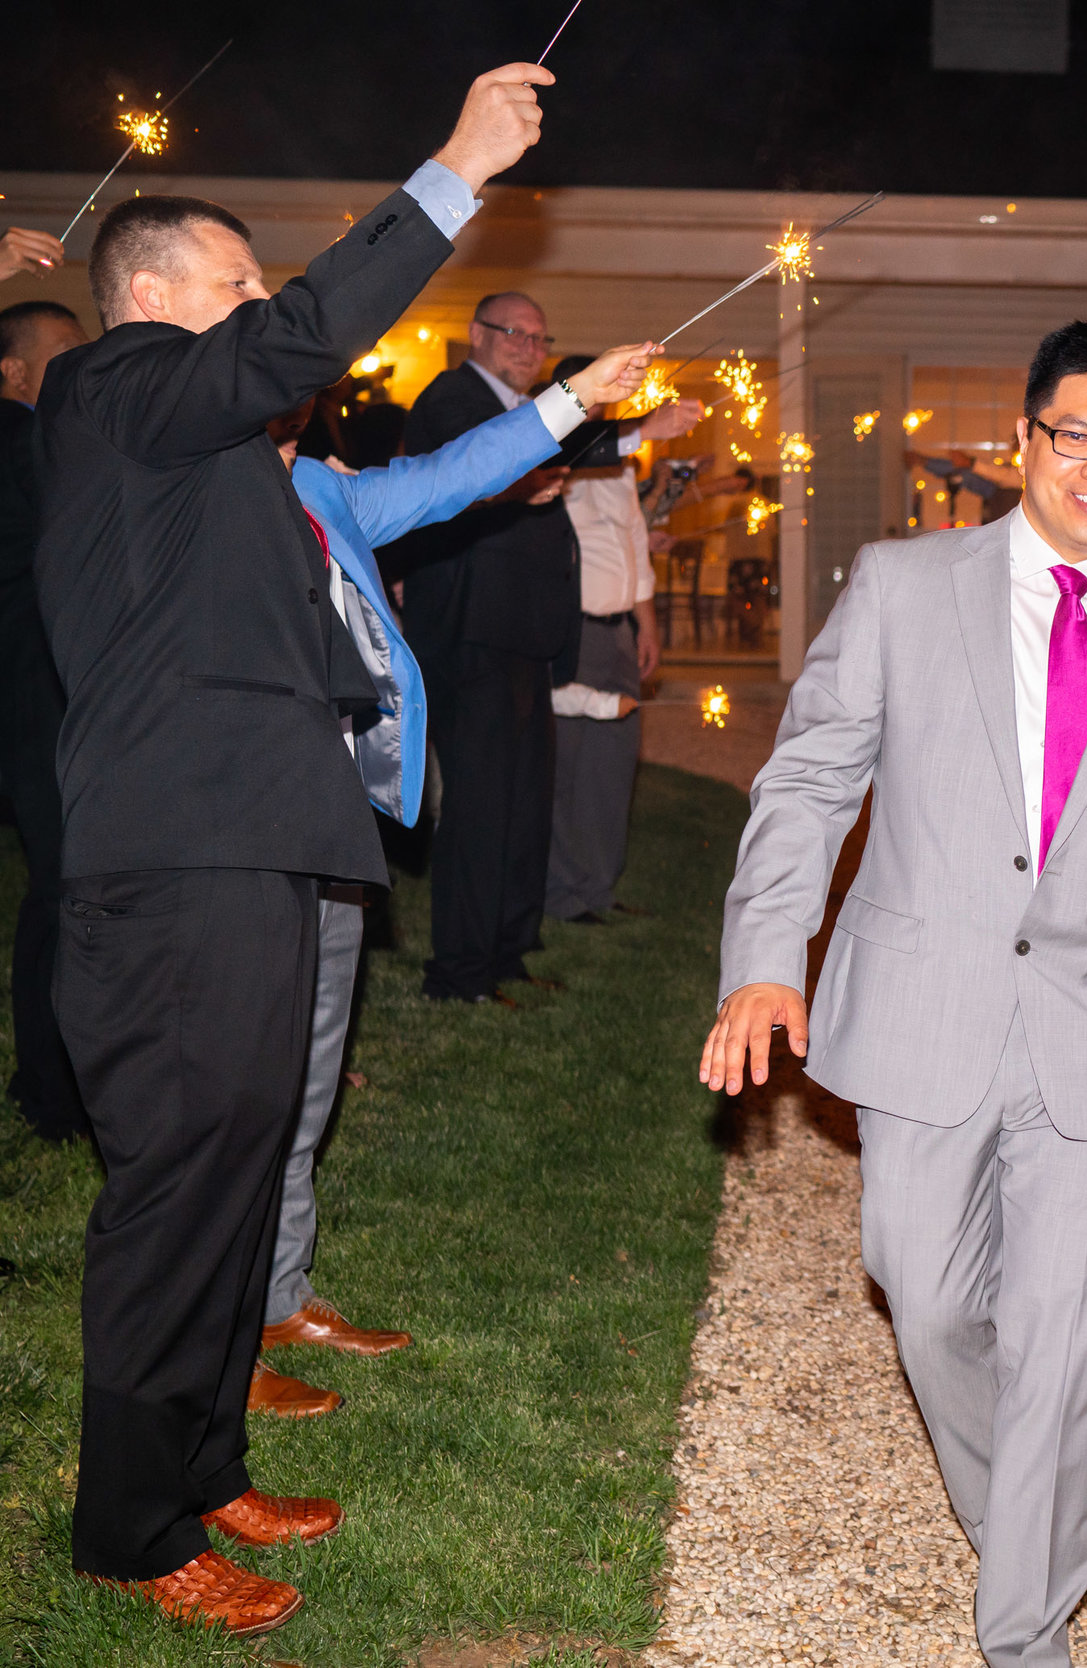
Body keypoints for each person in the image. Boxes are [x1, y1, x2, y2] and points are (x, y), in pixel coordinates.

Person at [35, 64, 552, 1636]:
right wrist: (453, 171)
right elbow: (299, 337)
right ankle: (134, 1528)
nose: (264, 309)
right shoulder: (113, 390)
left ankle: (204, 1465)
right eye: (240, 283)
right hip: (175, 866)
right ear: (153, 299)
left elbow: (342, 555)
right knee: (177, 1201)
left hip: (251, 849)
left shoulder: (211, 464)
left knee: (243, 1178)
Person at [701, 318, 1087, 1668]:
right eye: (1075, 435)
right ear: (1023, 442)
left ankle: (1024, 1627)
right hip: (924, 1011)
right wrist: (765, 962)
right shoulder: (905, 587)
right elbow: (805, 784)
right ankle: (1027, 1505)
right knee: (925, 1292)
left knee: (1068, 1343)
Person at [251, 339, 656, 1417]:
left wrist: (573, 398)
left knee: (308, 1075)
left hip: (332, 821)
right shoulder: (170, 480)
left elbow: (444, 479)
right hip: (231, 835)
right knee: (234, 1094)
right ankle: (218, 1338)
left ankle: (279, 1295)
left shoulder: (315, 486)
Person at [387, 293, 698, 1003]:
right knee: (481, 806)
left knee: (524, 804)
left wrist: (640, 430)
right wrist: (630, 431)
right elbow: (485, 467)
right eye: (513, 333)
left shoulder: (520, 413)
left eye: (538, 335)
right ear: (477, 335)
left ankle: (508, 953)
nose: (528, 346)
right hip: (474, 633)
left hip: (524, 638)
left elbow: (556, 445)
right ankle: (460, 971)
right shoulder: (453, 398)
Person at [0, 297, 88, 1142]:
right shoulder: (20, 438)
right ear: (14, 372)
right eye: (61, 355)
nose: (78, 366)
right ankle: (51, 1090)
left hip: (42, 691)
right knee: (62, 893)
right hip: (31, 694)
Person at [544, 352, 663, 925]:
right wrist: (643, 432)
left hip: (618, 630)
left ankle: (598, 885)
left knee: (613, 767)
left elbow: (633, 537)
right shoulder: (554, 451)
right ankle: (562, 893)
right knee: (568, 765)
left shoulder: (620, 457)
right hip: (575, 631)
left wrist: (648, 621)